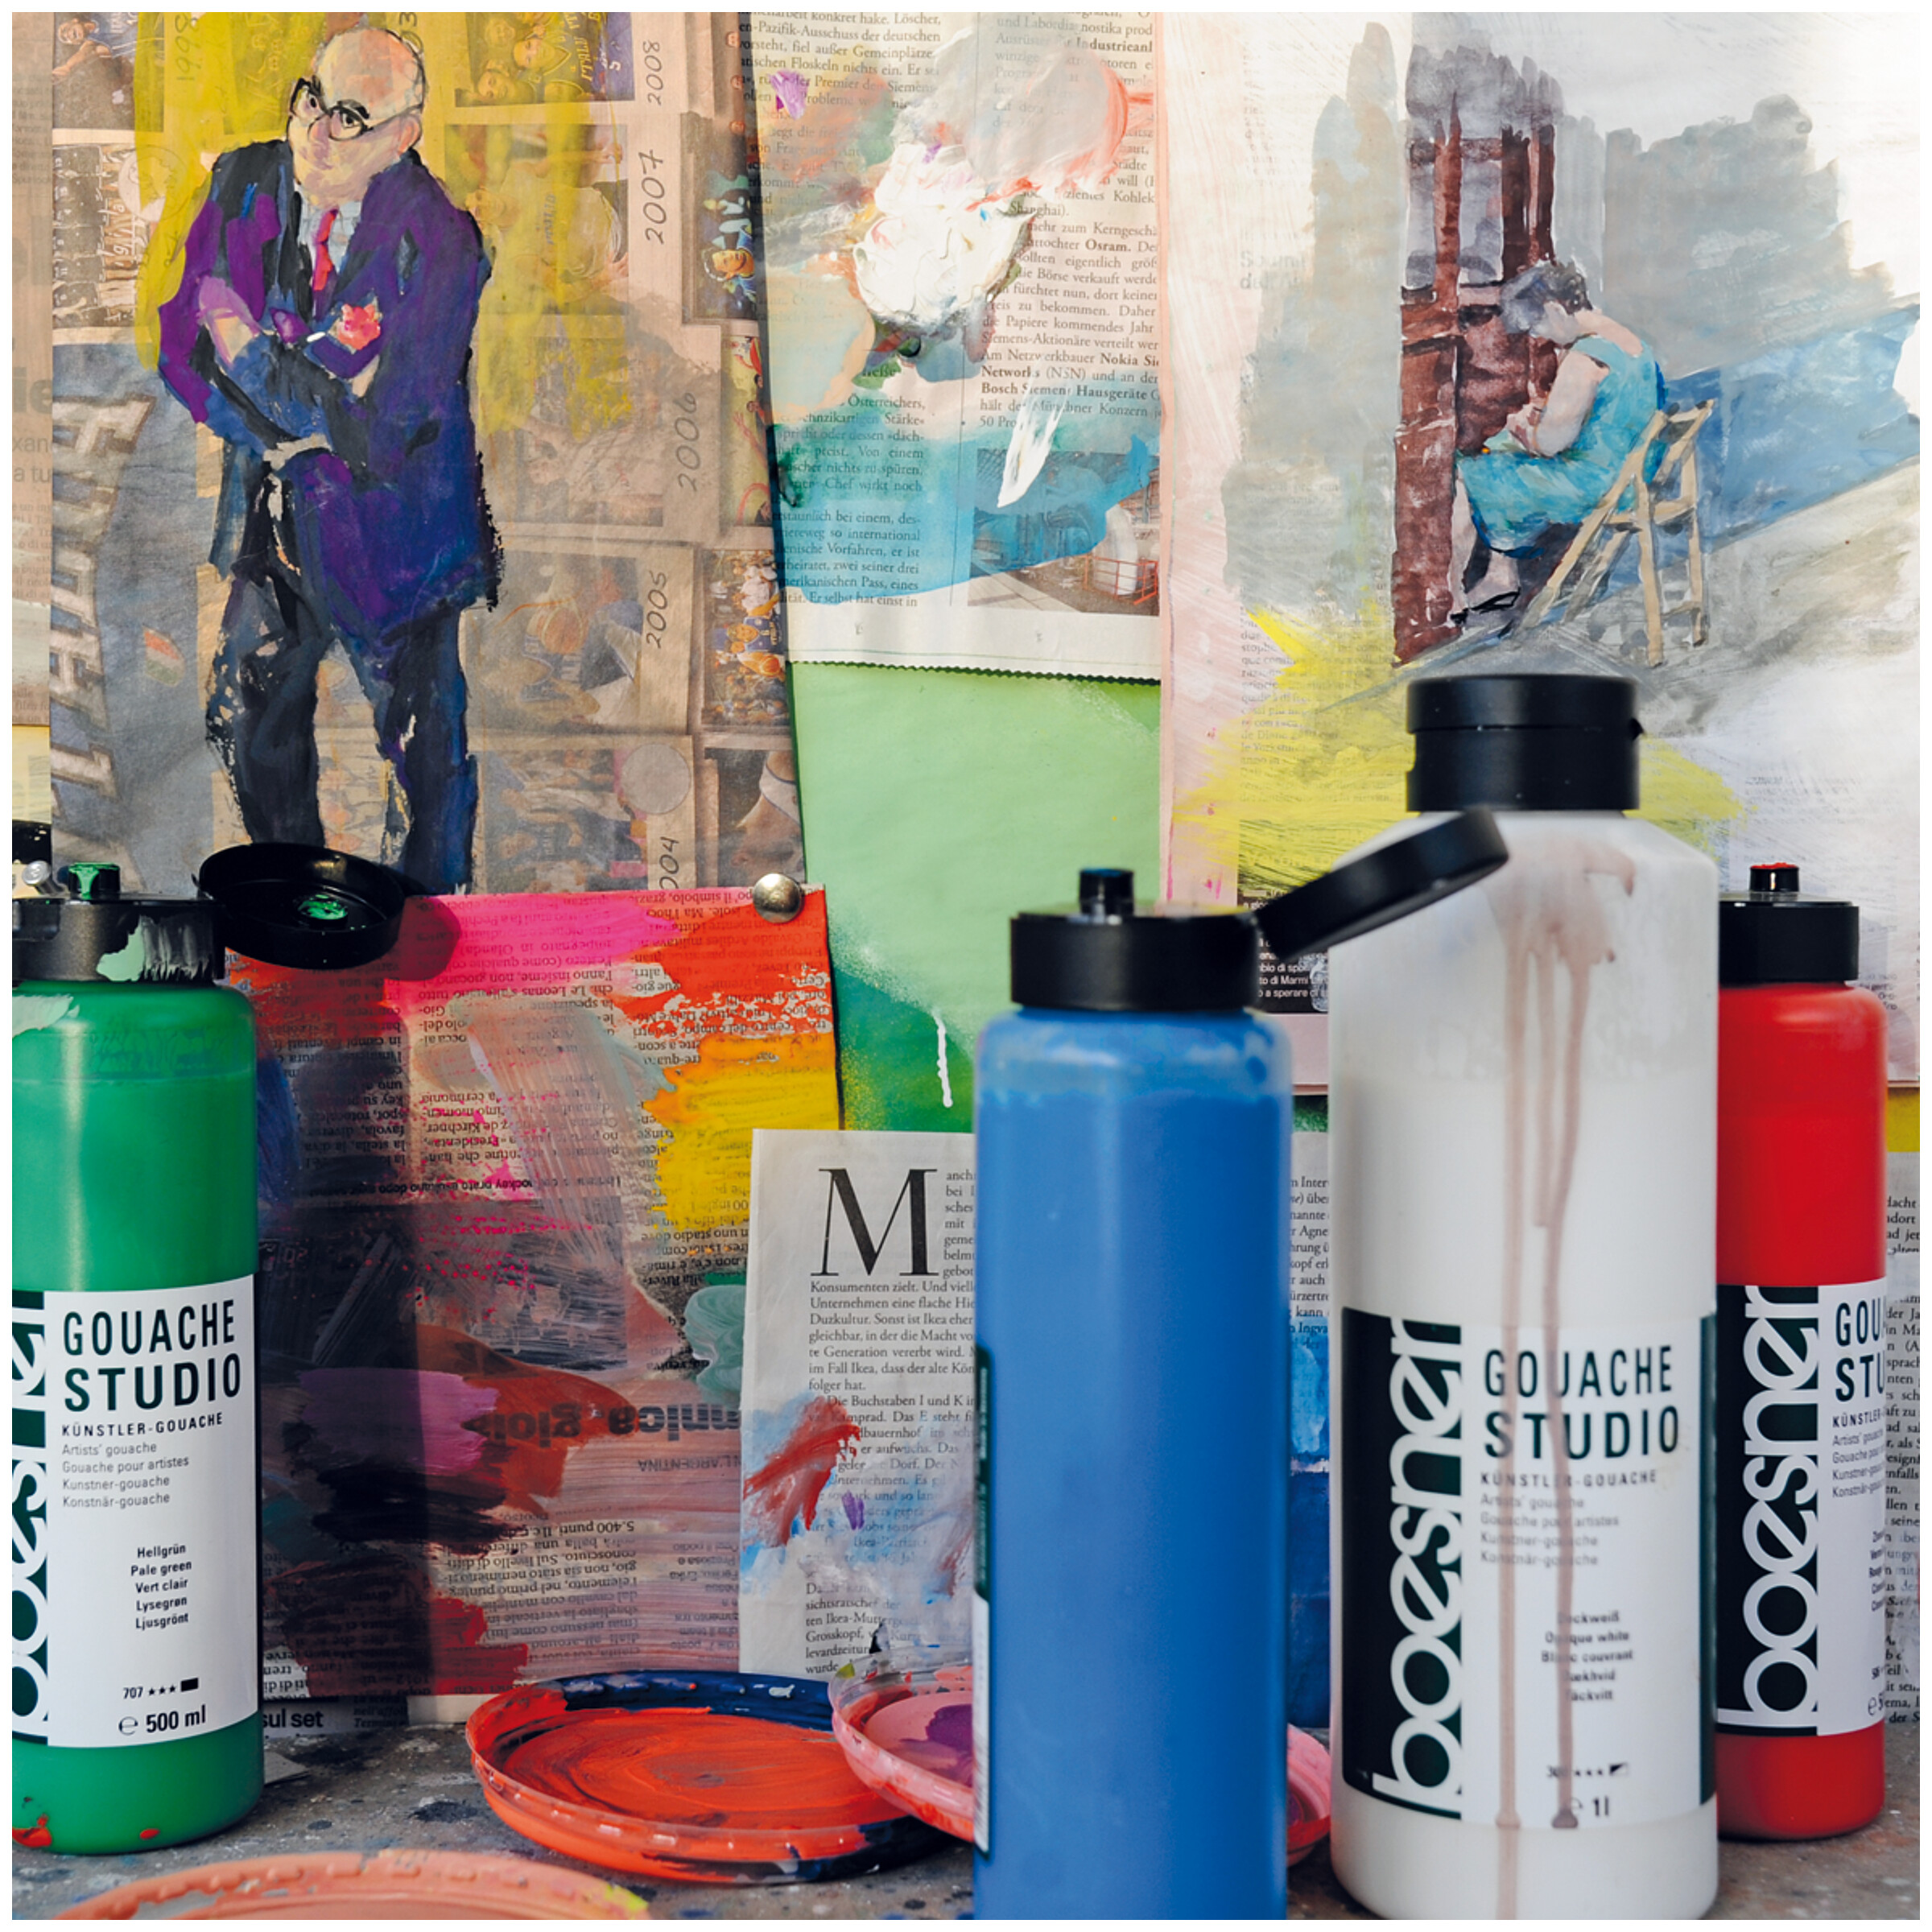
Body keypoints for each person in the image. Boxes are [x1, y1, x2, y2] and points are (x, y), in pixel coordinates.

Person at [158, 26, 498, 893]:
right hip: (271, 512)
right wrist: (289, 423)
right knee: (245, 715)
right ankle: (297, 901)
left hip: (396, 538)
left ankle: (432, 921)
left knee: (421, 754)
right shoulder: (243, 182)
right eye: (312, 98)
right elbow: (180, 348)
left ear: (401, 136)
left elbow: (387, 428)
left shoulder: (442, 241)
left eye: (349, 116)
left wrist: (248, 353)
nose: (316, 128)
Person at [1450, 261, 1663, 620]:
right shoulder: (1633, 345)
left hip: (1592, 487)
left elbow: (1549, 445)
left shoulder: (1584, 359)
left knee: (1469, 470)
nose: (1538, 336)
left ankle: (1454, 596)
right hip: (1632, 478)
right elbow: (1607, 421)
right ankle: (1500, 577)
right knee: (1501, 457)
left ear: (1555, 310)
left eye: (1537, 325)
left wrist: (1521, 427)